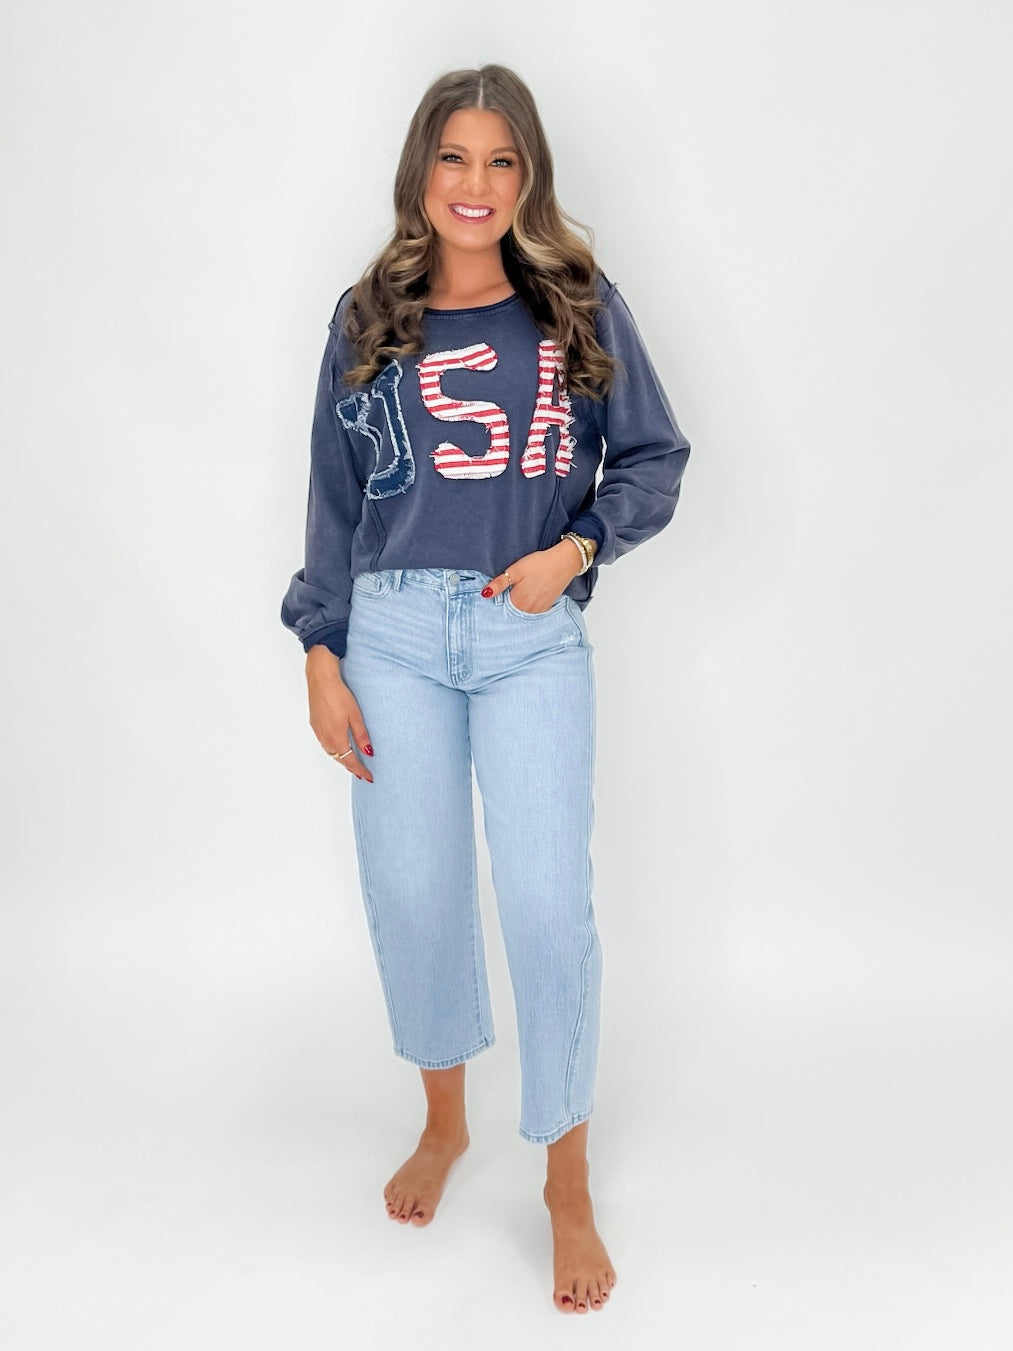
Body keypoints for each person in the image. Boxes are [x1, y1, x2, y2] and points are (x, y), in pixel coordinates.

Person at [280, 63, 691, 1314]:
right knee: (412, 890)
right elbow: (333, 501)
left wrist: (574, 552)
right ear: (420, 173)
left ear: (528, 177)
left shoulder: (576, 303)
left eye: (500, 161)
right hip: (393, 636)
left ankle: (563, 1179)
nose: (475, 183)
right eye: (452, 158)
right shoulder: (367, 318)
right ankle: (444, 1119)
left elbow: (653, 457)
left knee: (546, 907)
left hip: (526, 635)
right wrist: (320, 650)